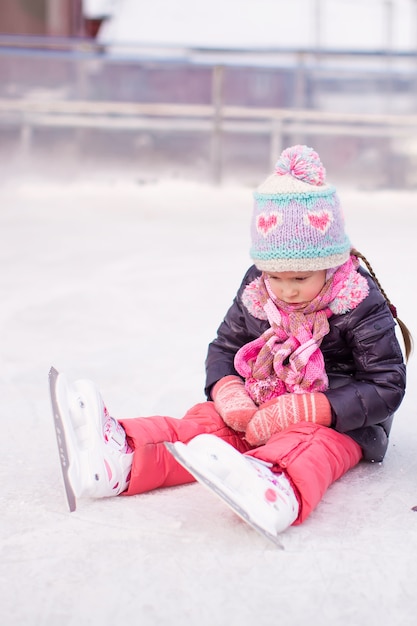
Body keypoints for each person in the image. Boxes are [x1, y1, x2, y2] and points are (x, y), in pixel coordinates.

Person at [52, 145, 412, 539]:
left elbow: (386, 384)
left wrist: (316, 408)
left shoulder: (357, 300)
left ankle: (277, 484)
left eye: (300, 279)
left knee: (306, 440)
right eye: (275, 276)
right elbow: (225, 347)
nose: (286, 291)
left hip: (346, 424)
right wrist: (228, 391)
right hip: (265, 401)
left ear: (330, 264)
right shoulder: (258, 290)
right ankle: (123, 456)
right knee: (208, 422)